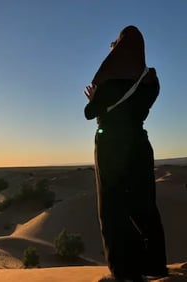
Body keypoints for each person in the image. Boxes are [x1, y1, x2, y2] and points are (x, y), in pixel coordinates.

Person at [84, 25, 168, 282]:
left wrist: (93, 98)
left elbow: (90, 113)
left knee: (111, 207)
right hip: (140, 146)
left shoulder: (109, 79)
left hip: (111, 146)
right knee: (144, 204)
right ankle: (154, 265)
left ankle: (123, 271)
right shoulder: (151, 81)